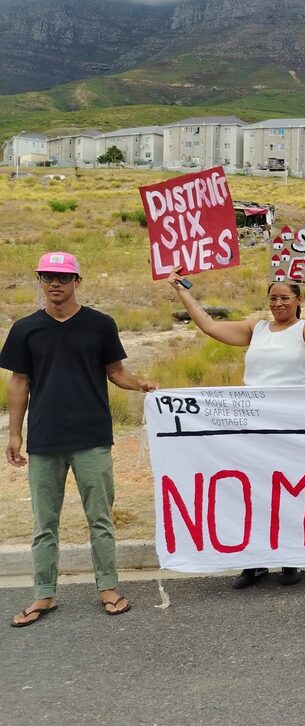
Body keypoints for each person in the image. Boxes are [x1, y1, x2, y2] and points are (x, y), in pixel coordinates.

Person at [168, 268, 305, 588]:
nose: (279, 303)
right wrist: (183, 292)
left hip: (290, 424)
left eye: (285, 298)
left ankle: (291, 558)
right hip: (252, 426)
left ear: (299, 299)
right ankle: (253, 561)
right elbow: (211, 326)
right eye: (273, 298)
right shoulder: (255, 328)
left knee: (289, 490)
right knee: (251, 491)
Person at [3, 252, 158, 627]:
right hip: (45, 438)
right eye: (47, 276)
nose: (55, 283)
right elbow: (19, 382)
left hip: (91, 436)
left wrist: (141, 385)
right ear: (40, 280)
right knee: (44, 523)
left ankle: (107, 587)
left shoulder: (100, 325)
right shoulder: (26, 329)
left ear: (78, 280)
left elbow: (115, 372)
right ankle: (43, 593)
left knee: (100, 518)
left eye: (63, 277)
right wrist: (14, 433)